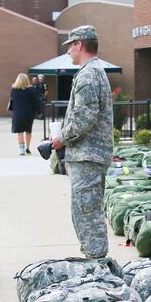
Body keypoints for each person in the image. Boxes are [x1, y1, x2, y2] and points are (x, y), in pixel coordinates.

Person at [50, 25, 113, 258]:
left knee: (86, 212)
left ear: (79, 44)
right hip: (90, 155)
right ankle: (95, 257)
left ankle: (96, 262)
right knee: (88, 209)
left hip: (88, 155)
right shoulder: (94, 71)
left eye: (70, 46)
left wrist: (61, 139)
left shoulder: (88, 74)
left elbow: (84, 116)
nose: (68, 52)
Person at [10, 73, 39, 155]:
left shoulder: (14, 90)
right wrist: (39, 111)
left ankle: (21, 150)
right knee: (28, 131)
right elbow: (35, 102)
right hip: (28, 113)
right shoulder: (30, 90)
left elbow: (12, 101)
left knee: (20, 132)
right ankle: (27, 148)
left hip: (18, 113)